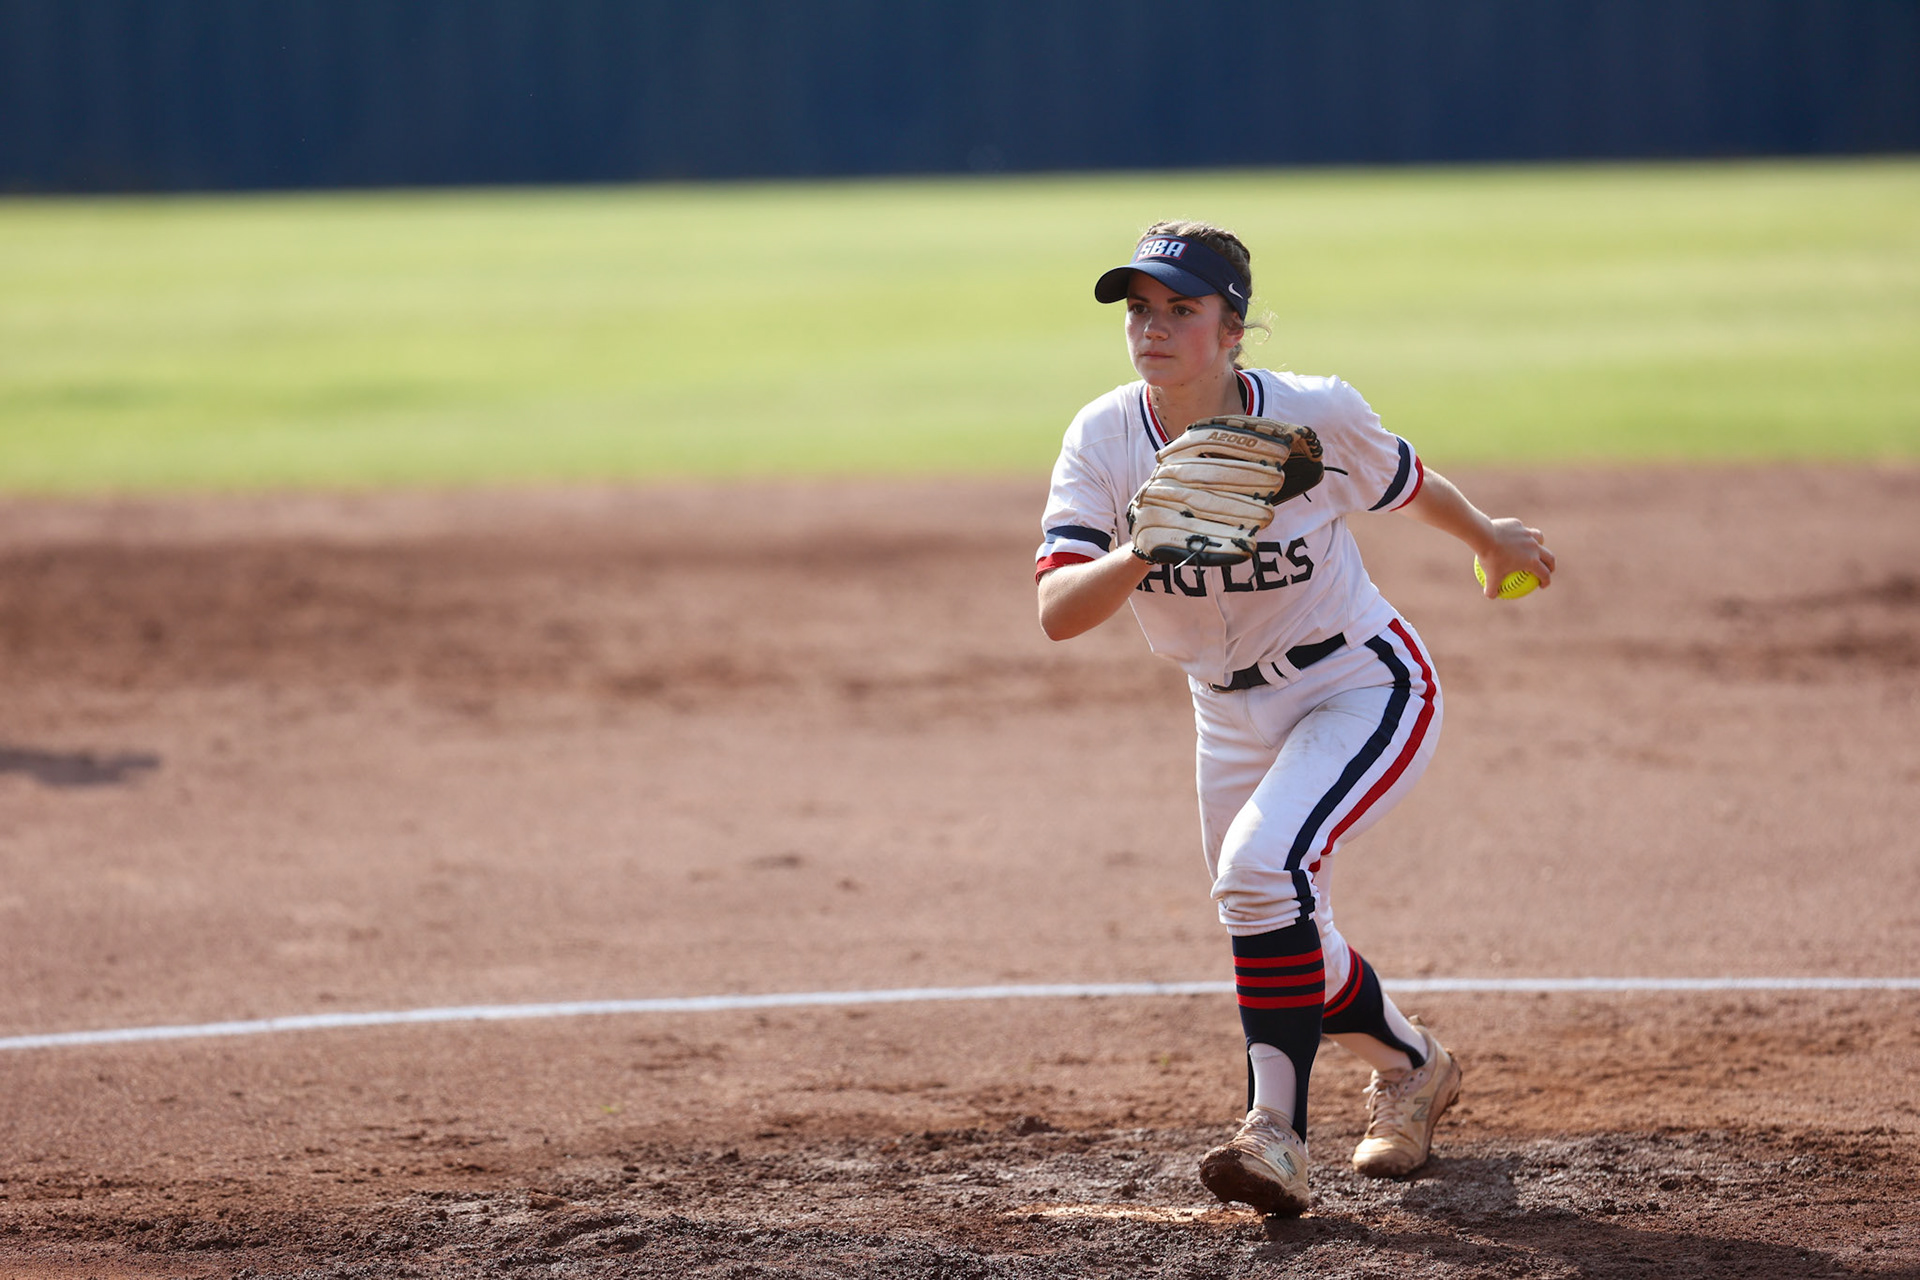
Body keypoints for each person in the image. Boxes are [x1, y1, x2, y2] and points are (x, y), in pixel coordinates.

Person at [1033, 221, 1555, 1217]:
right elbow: (1059, 612)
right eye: (1140, 309)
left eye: (1181, 308)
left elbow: (1403, 479)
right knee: (1271, 913)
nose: (1153, 326)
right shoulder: (1102, 438)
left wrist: (1488, 537)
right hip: (1223, 710)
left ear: (1233, 329)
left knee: (1260, 874)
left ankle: (1273, 1133)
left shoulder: (1313, 413)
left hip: (1358, 682)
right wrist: (1149, 542)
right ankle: (1413, 1066)